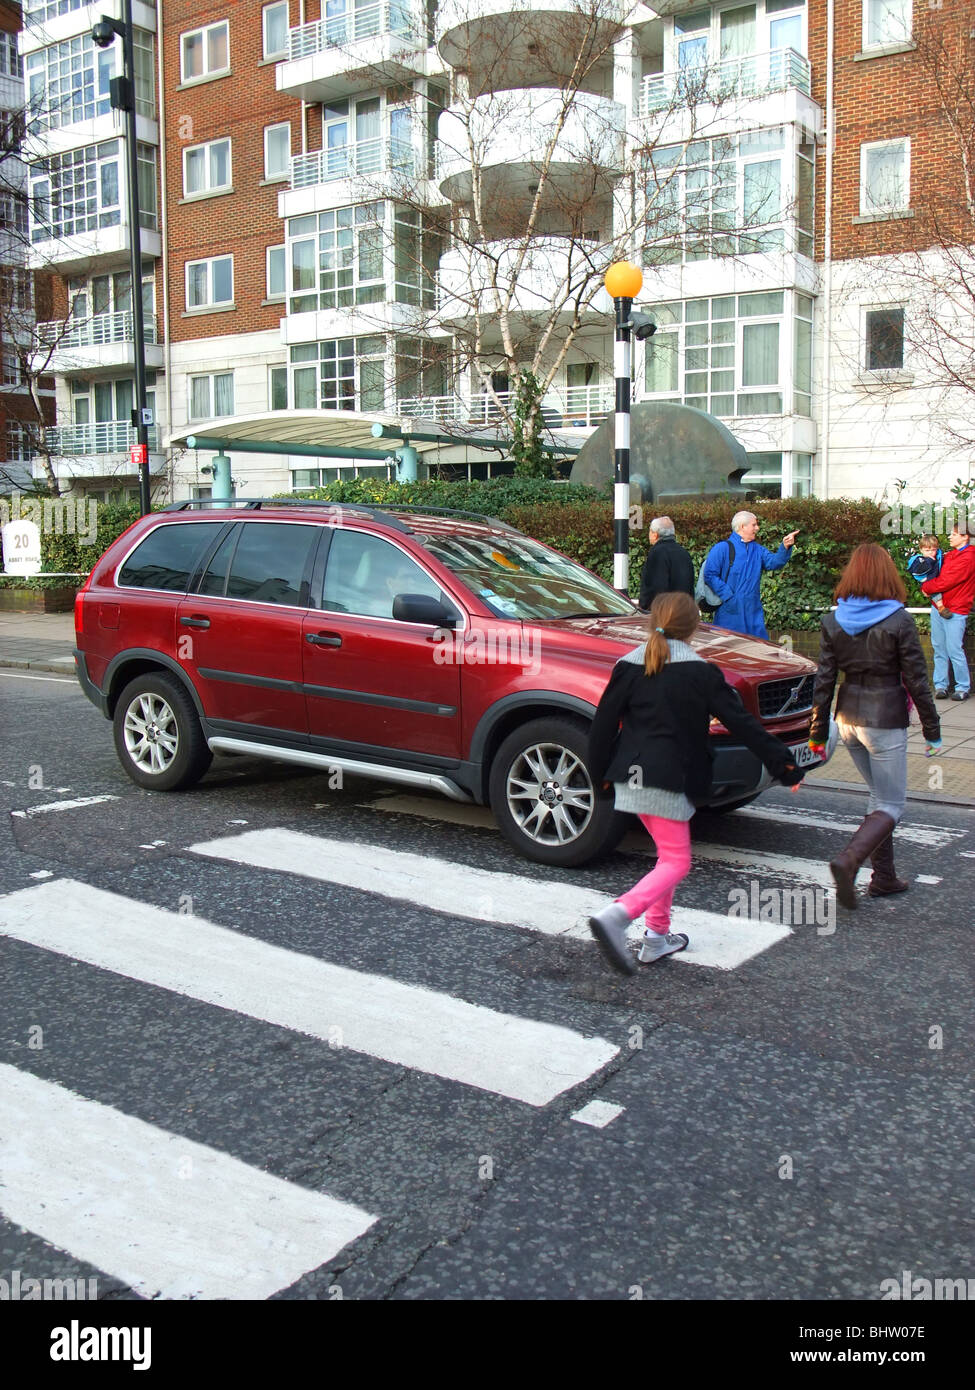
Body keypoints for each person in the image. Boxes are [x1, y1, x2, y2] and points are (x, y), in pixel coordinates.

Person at [586, 591, 804, 975]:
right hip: (670, 779)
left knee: (665, 857)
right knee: (677, 861)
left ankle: (656, 937)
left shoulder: (629, 664)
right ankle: (618, 916)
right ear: (694, 628)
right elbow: (743, 723)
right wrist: (783, 764)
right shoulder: (702, 672)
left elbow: (603, 726)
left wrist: (599, 775)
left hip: (630, 775)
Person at [808, 543, 941, 909]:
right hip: (884, 721)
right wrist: (932, 730)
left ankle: (883, 878)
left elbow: (824, 680)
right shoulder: (899, 620)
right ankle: (849, 860)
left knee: (878, 798)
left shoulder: (833, 621)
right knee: (893, 804)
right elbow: (917, 680)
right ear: (887, 575)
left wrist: (818, 734)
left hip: (848, 720)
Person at [701, 510, 799, 639]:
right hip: (729, 612)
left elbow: (774, 563)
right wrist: (728, 596)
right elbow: (709, 575)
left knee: (757, 651)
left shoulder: (757, 549)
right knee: (728, 651)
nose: (757, 528)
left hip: (753, 612)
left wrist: (785, 547)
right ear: (742, 526)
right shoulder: (722, 548)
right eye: (754, 525)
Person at [920, 524, 975, 701]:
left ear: (965, 537)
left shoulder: (969, 557)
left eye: (954, 534)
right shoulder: (949, 555)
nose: (950, 537)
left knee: (954, 649)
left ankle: (962, 687)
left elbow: (947, 580)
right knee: (939, 648)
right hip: (939, 608)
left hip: (956, 609)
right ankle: (941, 686)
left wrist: (926, 587)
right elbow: (934, 573)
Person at [638, 516, 694, 611]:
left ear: (655, 534)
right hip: (683, 612)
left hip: (663, 614)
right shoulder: (684, 553)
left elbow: (653, 588)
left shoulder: (656, 553)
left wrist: (644, 608)